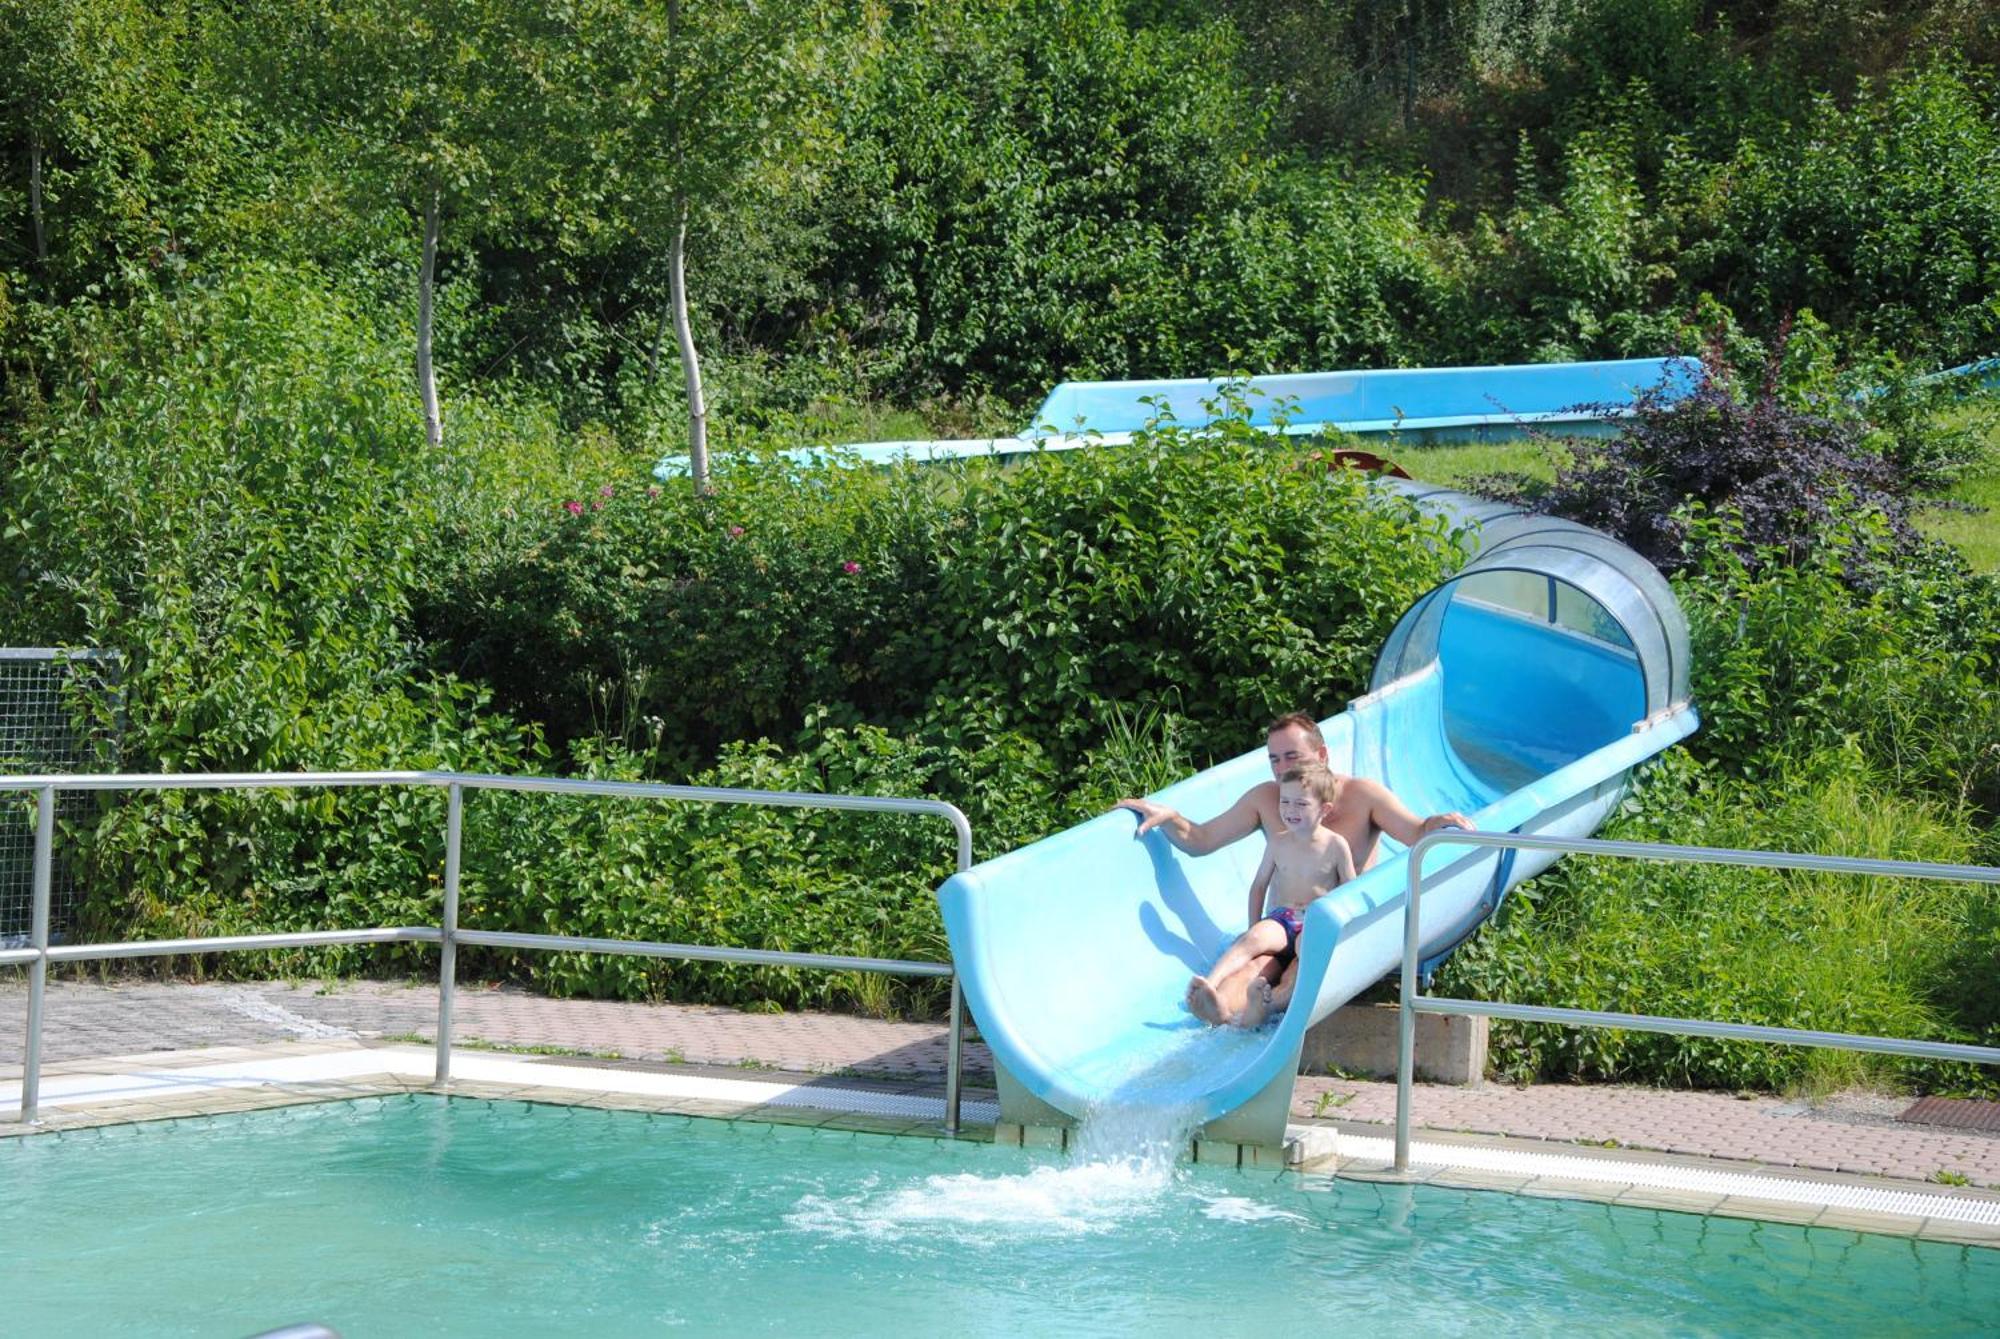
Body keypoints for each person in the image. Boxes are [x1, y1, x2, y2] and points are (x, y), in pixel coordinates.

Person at [1116, 710, 1472, 1023]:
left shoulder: (1364, 796)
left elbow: (1416, 833)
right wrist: (1170, 818)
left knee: (1301, 967)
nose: (1282, 768)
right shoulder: (1267, 798)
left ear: (1322, 755)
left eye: (1292, 756)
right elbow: (1202, 839)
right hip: (1283, 923)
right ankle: (1221, 1009)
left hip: (1333, 933)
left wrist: (1436, 823)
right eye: (1274, 760)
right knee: (1257, 966)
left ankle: (1267, 1006)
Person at [1186, 764, 1354, 1028]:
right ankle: (1212, 987)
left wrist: (1341, 935)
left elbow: (1350, 891)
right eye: (1285, 802)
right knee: (1252, 939)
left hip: (1313, 921)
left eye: (1301, 804)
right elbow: (1259, 886)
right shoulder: (1278, 842)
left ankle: (1267, 1005)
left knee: (1304, 960)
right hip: (1282, 918)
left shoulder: (1335, 846)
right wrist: (1254, 926)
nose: (1290, 810)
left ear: (1324, 809)